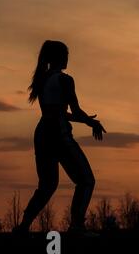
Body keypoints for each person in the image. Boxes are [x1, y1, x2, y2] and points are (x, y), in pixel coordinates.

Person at [14, 40, 106, 235]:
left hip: (42, 134)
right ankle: (77, 225)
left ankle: (23, 225)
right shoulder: (65, 80)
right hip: (58, 134)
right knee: (86, 180)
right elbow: (75, 111)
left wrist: (85, 120)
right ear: (58, 58)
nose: (67, 59)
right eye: (65, 55)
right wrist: (92, 123)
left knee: (47, 185)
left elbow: (56, 112)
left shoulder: (42, 80)